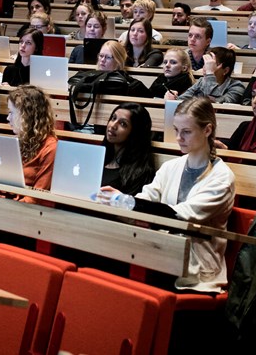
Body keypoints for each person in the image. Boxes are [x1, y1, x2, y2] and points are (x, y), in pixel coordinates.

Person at [100, 97, 235, 293]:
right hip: (159, 255)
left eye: (187, 132)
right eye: (176, 130)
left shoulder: (222, 178)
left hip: (196, 269)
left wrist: (127, 202)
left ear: (207, 130)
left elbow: (182, 215)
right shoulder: (171, 166)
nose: (179, 138)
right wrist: (121, 203)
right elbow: (146, 198)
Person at [6, 86, 58, 196]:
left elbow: (38, 197)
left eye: (12, 113)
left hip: (25, 209)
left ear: (26, 116)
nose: (8, 118)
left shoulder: (51, 148)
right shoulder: (18, 141)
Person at [101, 104, 156, 196]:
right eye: (113, 118)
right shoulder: (98, 160)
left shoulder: (140, 173)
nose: (113, 125)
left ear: (135, 132)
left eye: (123, 124)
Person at [175, 47, 245, 104]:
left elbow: (216, 104)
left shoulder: (237, 87)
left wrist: (210, 73)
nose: (206, 68)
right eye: (206, 63)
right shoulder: (202, 81)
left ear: (225, 70)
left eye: (212, 64)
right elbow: (181, 100)